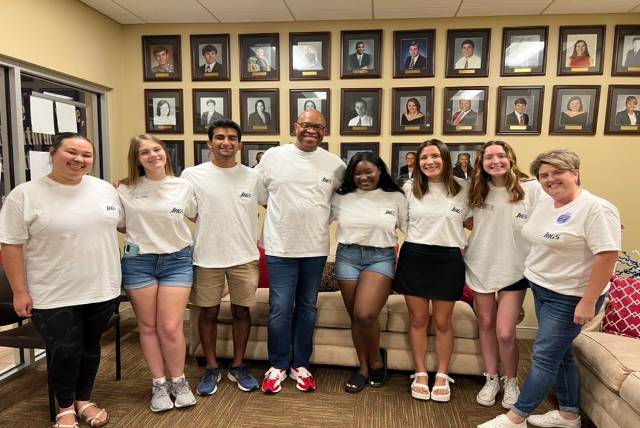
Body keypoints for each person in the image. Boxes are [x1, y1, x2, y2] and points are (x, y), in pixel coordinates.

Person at [479, 149, 621, 428]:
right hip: (543, 289)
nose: (550, 179)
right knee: (562, 352)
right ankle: (569, 414)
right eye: (544, 175)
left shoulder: (596, 208)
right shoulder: (547, 203)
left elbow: (607, 256)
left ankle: (516, 417)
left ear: (576, 173)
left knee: (543, 356)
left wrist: (588, 301)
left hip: (571, 297)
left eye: (558, 172)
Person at [0, 132, 121, 428]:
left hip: (102, 287)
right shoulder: (25, 194)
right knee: (65, 352)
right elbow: (10, 245)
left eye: (86, 155)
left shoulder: (104, 189)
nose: (79, 160)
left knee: (91, 348)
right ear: (53, 153)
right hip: (52, 291)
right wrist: (19, 291)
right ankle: (65, 406)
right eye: (72, 152)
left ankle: (84, 400)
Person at [255, 110, 345, 394]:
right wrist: (286, 214)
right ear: (296, 126)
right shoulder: (273, 157)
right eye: (306, 125)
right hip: (280, 247)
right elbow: (259, 194)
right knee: (280, 308)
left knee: (306, 308)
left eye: (318, 127)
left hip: (315, 248)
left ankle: (300, 365)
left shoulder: (335, 165)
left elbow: (339, 203)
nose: (311, 131)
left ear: (325, 131)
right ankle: (278, 365)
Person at [181, 119, 267, 396]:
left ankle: (239, 365)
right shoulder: (192, 174)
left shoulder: (253, 177)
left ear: (240, 144)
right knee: (208, 313)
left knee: (242, 311)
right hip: (207, 255)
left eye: (232, 137)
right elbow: (186, 210)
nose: (226, 142)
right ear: (210, 143)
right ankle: (211, 366)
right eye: (219, 137)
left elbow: (272, 203)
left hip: (244, 255)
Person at [117, 134, 197, 412]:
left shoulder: (183, 187)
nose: (152, 155)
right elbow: (119, 223)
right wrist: (146, 236)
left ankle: (179, 381)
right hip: (139, 262)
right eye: (144, 152)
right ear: (136, 159)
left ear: (165, 152)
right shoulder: (125, 189)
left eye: (156, 149)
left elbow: (196, 216)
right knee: (148, 327)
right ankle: (159, 384)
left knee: (171, 326)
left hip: (177, 261)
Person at [465, 141, 541, 411]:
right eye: (488, 157)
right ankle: (491, 378)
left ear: (510, 158)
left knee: (506, 332)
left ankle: (511, 381)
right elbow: (466, 221)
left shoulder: (531, 188)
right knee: (485, 324)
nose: (495, 161)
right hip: (480, 264)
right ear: (481, 162)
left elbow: (557, 210)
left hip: (515, 269)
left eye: (500, 155)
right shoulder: (475, 190)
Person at [394, 139, 469, 403]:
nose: (429, 161)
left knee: (442, 322)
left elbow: (476, 221)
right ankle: (421, 373)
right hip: (414, 256)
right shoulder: (408, 188)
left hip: (448, 259)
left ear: (445, 159)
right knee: (417, 320)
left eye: (435, 156)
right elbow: (400, 221)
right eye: (423, 157)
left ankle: (442, 374)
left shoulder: (464, 189)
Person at [331, 152, 408, 394]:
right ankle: (363, 368)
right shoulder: (341, 198)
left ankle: (376, 360)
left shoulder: (395, 196)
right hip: (347, 257)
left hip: (381, 257)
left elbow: (410, 229)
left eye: (368, 172)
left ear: (380, 171)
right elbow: (315, 217)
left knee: (365, 313)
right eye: (357, 173)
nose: (363, 177)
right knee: (356, 316)